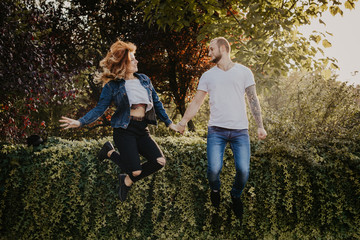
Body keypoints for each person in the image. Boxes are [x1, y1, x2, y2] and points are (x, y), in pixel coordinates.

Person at [59, 39, 177, 202]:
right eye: (133, 59)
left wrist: (170, 123)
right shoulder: (112, 86)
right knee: (135, 171)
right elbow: (100, 109)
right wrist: (80, 122)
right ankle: (110, 152)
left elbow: (156, 103)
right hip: (124, 131)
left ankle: (125, 178)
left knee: (159, 161)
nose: (136, 61)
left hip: (142, 130)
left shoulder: (144, 80)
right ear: (124, 63)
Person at [175, 37, 267, 220]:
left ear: (224, 48)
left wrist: (260, 126)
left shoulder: (244, 72)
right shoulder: (208, 76)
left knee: (243, 171)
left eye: (211, 49)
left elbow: (253, 99)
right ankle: (215, 190)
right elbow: (196, 102)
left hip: (240, 131)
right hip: (216, 130)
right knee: (214, 170)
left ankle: (235, 195)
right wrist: (183, 121)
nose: (209, 53)